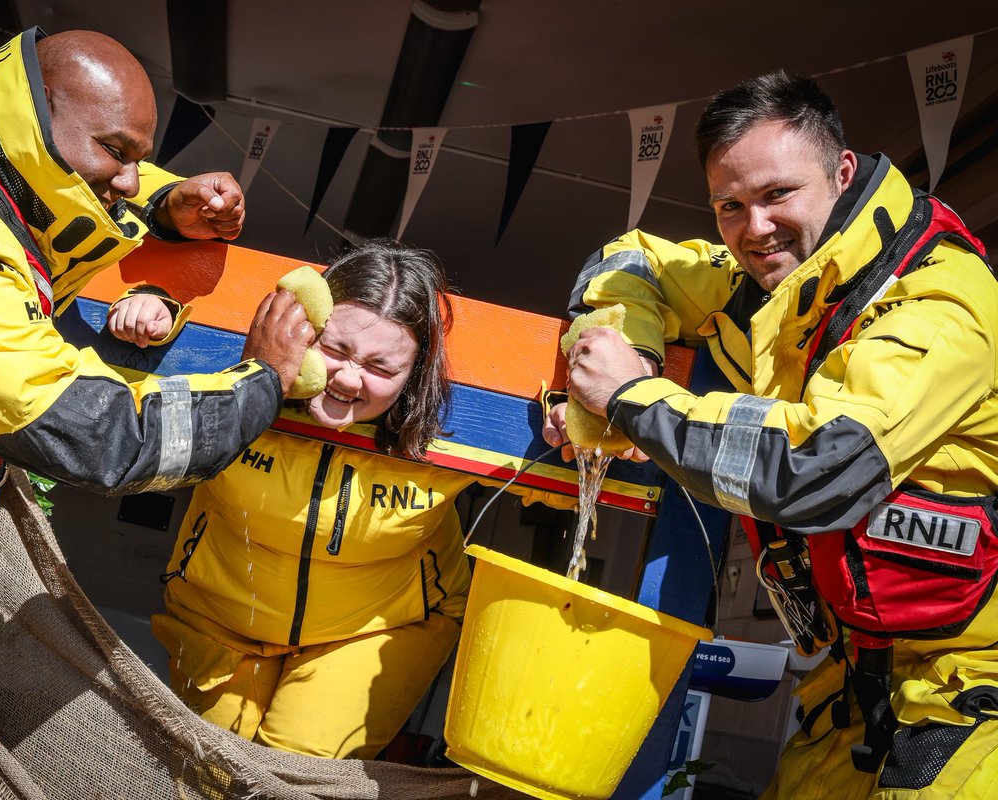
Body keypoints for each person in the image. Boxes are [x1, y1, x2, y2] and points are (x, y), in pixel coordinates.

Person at [0, 27, 310, 752]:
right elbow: (104, 440)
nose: (131, 179)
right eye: (121, 152)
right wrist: (260, 381)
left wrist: (168, 207)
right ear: (35, 120)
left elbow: (42, 198)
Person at [547, 70, 998, 799]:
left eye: (777, 195)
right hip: (846, 694)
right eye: (731, 205)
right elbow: (629, 258)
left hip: (974, 694)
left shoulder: (940, 298)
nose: (754, 228)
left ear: (841, 172)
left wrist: (632, 397)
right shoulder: (772, 284)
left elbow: (816, 470)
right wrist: (623, 358)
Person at [150, 239, 571, 760]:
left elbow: (574, 495)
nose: (349, 379)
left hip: (377, 629)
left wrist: (576, 421)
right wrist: (156, 301)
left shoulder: (450, 435)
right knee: (207, 772)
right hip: (218, 616)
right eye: (336, 350)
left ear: (415, 374)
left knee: (291, 776)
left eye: (381, 367)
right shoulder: (228, 384)